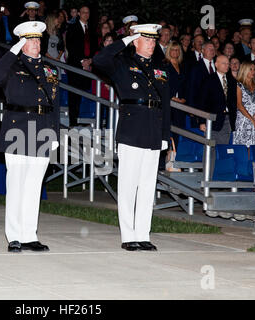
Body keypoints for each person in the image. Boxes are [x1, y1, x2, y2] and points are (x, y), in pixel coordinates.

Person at [93, 24, 170, 251]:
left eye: (153, 40)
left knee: (147, 186)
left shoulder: (160, 69)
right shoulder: (122, 64)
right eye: (146, 39)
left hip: (153, 130)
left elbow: (165, 104)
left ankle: (143, 234)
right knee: (128, 185)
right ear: (136, 41)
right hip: (131, 129)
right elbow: (99, 59)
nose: (152, 43)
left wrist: (165, 134)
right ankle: (128, 236)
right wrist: (125, 40)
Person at [0, 21, 59, 253]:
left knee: (33, 186)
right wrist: (12, 51)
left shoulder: (50, 70)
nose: (35, 44)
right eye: (30, 40)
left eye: (38, 39)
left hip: (42, 130)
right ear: (21, 42)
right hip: (17, 128)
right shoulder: (11, 65)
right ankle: (14, 236)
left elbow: (54, 104)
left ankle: (30, 235)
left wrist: (55, 133)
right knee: (16, 185)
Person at [65, 5, 98, 126]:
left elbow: (95, 47)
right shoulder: (72, 28)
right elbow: (70, 46)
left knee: (85, 93)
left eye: (88, 12)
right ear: (79, 13)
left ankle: (82, 120)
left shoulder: (92, 29)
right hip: (75, 66)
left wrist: (89, 61)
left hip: (88, 66)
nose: (86, 14)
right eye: (83, 12)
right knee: (74, 95)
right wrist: (81, 61)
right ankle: (72, 123)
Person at [199, 55, 238, 145]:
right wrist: (201, 121)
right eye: (224, 63)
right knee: (210, 147)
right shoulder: (209, 79)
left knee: (223, 149)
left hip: (228, 118)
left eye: (228, 64)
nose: (227, 66)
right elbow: (202, 101)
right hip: (212, 119)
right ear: (216, 64)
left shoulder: (232, 80)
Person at [233, 62, 255, 148]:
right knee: (243, 147)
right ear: (244, 70)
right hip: (243, 119)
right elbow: (239, 105)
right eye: (250, 69)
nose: (253, 71)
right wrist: (251, 120)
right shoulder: (239, 85)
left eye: (254, 69)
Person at [164, 41, 187, 146]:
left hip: (181, 104)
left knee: (179, 130)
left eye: (177, 49)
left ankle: (176, 153)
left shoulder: (183, 66)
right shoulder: (163, 64)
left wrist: (184, 98)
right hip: (168, 103)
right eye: (173, 49)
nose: (175, 51)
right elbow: (161, 84)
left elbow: (187, 85)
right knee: (168, 130)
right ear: (169, 51)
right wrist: (171, 97)